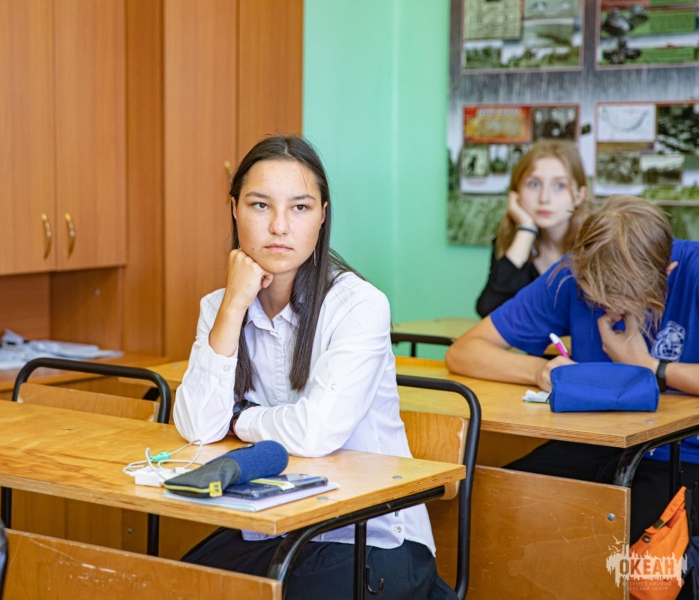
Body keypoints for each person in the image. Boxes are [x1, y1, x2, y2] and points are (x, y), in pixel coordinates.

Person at [173, 135, 456, 599]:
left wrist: (242, 420)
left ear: (323, 215)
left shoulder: (358, 305)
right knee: (173, 584)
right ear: (234, 209)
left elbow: (315, 433)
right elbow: (198, 428)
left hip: (369, 534)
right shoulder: (219, 307)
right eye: (260, 205)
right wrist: (233, 306)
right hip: (274, 526)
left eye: (300, 208)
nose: (279, 226)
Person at [449, 195, 699, 541]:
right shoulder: (571, 273)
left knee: (611, 541)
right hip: (592, 443)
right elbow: (464, 351)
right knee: (485, 508)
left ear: (666, 273)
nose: (609, 310)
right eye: (597, 298)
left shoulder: (693, 270)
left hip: (682, 455)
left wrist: (650, 367)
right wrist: (541, 371)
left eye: (624, 300)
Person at [475, 140, 590, 317]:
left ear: (579, 196)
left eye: (559, 186)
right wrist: (526, 231)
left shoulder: (596, 246)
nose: (544, 198)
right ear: (516, 193)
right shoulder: (514, 243)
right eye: (534, 184)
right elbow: (489, 310)